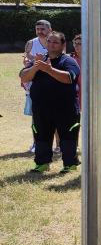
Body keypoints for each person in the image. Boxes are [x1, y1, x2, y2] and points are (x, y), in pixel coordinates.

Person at [19, 31, 80, 173]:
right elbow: (24, 77)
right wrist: (36, 67)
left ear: (63, 45)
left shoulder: (68, 61)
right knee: (41, 136)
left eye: (55, 42)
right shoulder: (39, 61)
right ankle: (42, 163)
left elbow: (69, 78)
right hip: (41, 108)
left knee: (67, 137)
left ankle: (69, 164)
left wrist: (49, 69)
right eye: (49, 41)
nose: (52, 45)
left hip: (65, 109)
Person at [23, 19, 52, 153]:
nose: (40, 32)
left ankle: (57, 145)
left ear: (49, 29)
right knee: (37, 115)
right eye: (37, 29)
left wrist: (39, 62)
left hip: (52, 82)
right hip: (34, 83)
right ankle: (36, 143)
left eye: (42, 29)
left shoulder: (55, 42)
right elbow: (26, 60)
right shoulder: (31, 43)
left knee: (54, 114)